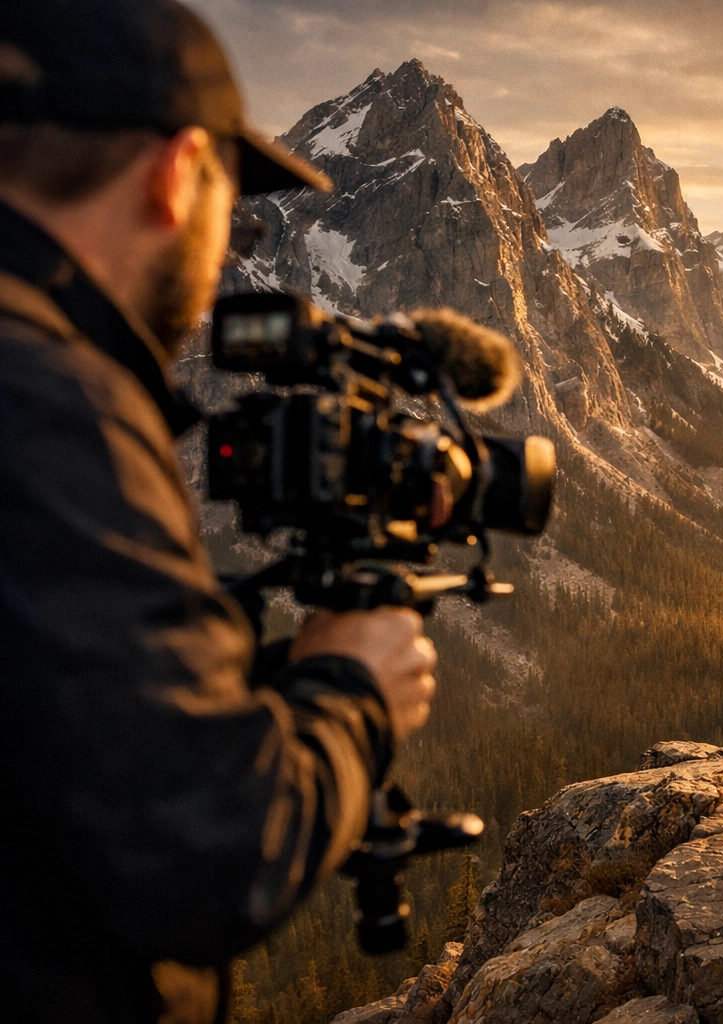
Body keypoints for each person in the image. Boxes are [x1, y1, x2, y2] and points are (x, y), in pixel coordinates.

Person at [0, 3, 438, 1021]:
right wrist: (354, 687)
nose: (224, 263)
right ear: (174, 170)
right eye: (233, 210)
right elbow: (209, 849)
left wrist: (225, 689)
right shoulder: (49, 397)